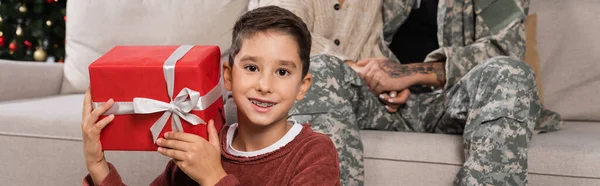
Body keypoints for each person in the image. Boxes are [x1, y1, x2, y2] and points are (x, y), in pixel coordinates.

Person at [235, 0, 564, 185]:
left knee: (511, 73)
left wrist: (407, 74)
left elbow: (505, 48)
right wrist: (374, 73)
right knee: (320, 69)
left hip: (458, 101)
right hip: (383, 102)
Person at [81, 6, 340, 186]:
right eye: (251, 68)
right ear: (227, 76)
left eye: (282, 72)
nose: (264, 84)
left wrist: (214, 178)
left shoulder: (314, 153)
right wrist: (97, 165)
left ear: (303, 86)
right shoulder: (200, 145)